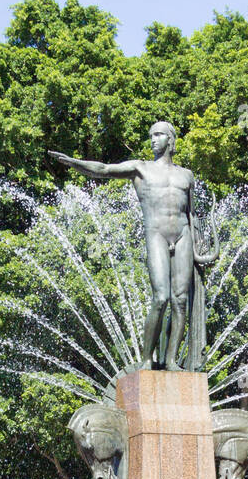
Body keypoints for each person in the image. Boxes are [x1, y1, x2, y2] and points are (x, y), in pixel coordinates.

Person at [49, 122, 203, 371]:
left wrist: (199, 247)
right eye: (151, 135)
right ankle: (146, 360)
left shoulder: (186, 175)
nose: (153, 139)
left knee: (180, 300)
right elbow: (103, 169)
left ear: (171, 140)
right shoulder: (140, 168)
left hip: (184, 235)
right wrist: (73, 162)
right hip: (157, 234)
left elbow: (193, 214)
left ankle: (172, 360)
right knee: (161, 297)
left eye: (159, 135)